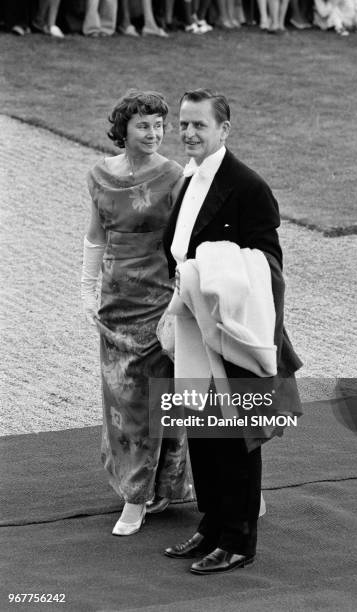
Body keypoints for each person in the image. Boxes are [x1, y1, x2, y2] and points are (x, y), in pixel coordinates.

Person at [163, 89, 302, 575]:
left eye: (199, 125)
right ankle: (213, 523)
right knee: (203, 428)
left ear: (225, 129)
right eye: (183, 124)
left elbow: (269, 264)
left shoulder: (248, 186)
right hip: (195, 323)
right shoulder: (187, 179)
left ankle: (239, 538)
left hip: (234, 327)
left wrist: (208, 275)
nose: (188, 133)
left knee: (237, 434)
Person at [81, 90, 192, 536]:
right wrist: (87, 291)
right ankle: (151, 487)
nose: (154, 133)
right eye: (144, 125)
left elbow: (186, 247)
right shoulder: (100, 175)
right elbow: (95, 236)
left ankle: (138, 496)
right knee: (120, 401)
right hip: (115, 304)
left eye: (159, 125)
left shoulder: (175, 177)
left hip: (158, 302)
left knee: (150, 401)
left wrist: (178, 302)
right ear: (123, 129)